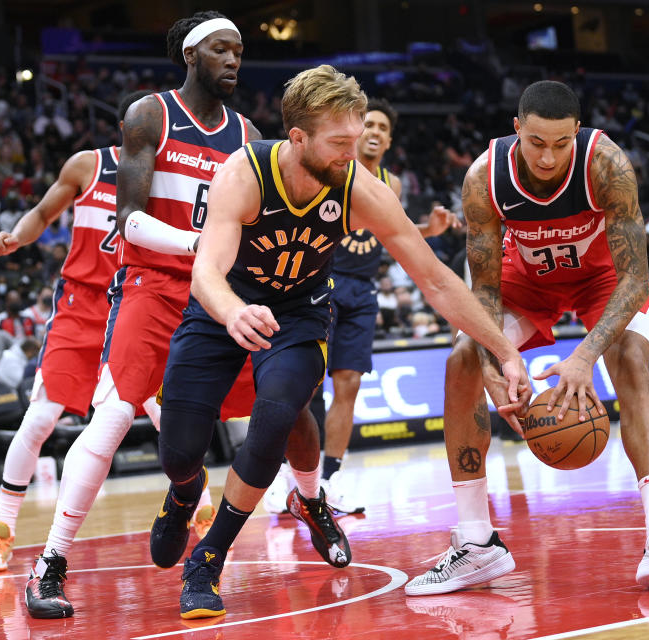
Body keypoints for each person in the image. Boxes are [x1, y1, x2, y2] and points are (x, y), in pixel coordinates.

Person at [148, 64, 530, 620]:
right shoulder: (244, 173)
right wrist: (233, 312)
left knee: (278, 413)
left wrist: (505, 349)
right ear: (298, 137)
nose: (353, 153)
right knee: (180, 451)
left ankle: (209, 557)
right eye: (339, 143)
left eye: (357, 140)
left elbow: (436, 279)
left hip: (300, 314)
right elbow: (205, 271)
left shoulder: (357, 185)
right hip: (222, 309)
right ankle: (184, 494)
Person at [406, 81, 649, 597]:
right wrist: (495, 363)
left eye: (560, 143)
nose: (548, 156)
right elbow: (482, 290)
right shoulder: (485, 178)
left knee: (631, 360)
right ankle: (478, 543)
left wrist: (583, 357)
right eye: (535, 142)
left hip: (604, 281)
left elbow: (635, 279)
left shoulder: (606, 164)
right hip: (524, 283)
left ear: (578, 132)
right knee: (462, 357)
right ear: (516, 130)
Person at [22, 12, 259, 620]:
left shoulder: (248, 135)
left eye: (239, 51)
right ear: (190, 55)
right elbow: (129, 219)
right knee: (113, 417)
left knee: (283, 404)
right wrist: (198, 243)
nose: (234, 60)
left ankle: (313, 502)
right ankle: (49, 564)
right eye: (220, 50)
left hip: (214, 291)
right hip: (152, 284)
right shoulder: (150, 114)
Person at [0, 89, 154, 577]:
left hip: (140, 301)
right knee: (39, 420)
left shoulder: (173, 174)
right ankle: (2, 532)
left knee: (172, 417)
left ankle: (197, 512)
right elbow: (41, 215)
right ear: (126, 126)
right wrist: (16, 234)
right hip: (82, 304)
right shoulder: (86, 165)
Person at [263, 98, 461, 515]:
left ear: (389, 140)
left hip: (363, 291)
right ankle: (293, 476)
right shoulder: (331, 170)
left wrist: (430, 229)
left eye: (382, 128)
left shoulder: (391, 184)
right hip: (323, 283)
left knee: (349, 382)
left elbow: (394, 232)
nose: (374, 132)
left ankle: (330, 479)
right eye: (368, 124)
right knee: (306, 383)